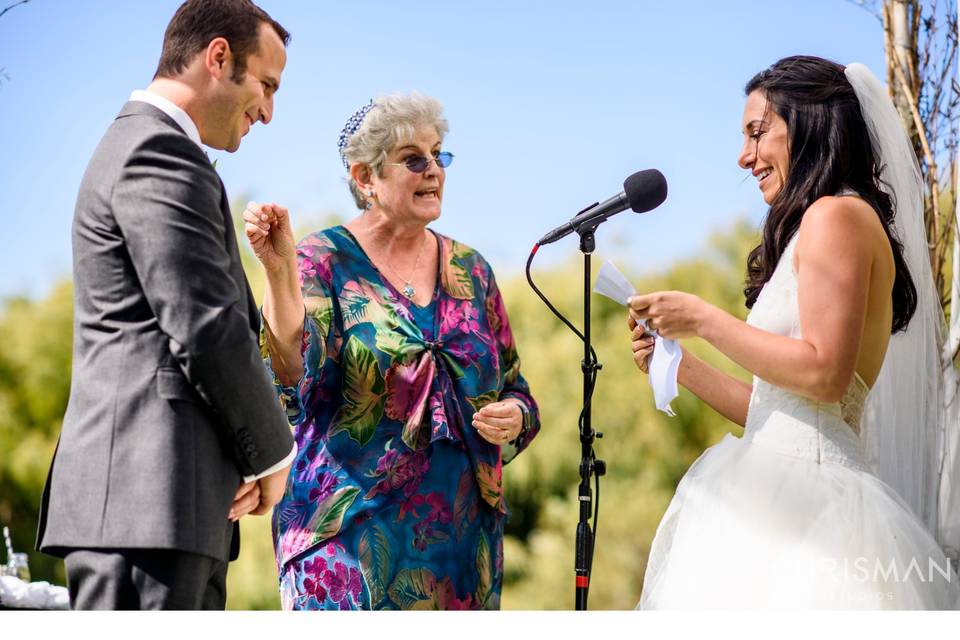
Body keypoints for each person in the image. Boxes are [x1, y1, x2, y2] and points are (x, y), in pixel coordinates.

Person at [628, 56, 960, 609]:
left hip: (812, 508)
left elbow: (827, 374)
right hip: (779, 477)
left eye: (758, 132)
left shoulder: (837, 216)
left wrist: (703, 318)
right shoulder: (823, 221)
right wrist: (680, 362)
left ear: (810, 124)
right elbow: (776, 410)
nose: (744, 155)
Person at [35, 0, 296, 610]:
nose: (268, 111)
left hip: (173, 511)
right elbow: (205, 326)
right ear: (219, 57)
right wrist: (274, 454)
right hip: (141, 506)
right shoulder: (154, 149)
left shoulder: (157, 150)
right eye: (266, 85)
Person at [244, 92, 540, 610]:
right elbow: (289, 378)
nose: (434, 171)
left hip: (463, 553)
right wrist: (277, 272)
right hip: (347, 544)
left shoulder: (471, 269)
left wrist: (514, 414)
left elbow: (518, 388)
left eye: (439, 154)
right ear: (365, 179)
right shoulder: (322, 260)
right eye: (413, 160)